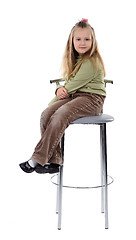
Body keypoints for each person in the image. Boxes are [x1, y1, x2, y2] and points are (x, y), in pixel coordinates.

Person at [19, 18, 106, 174]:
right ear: (71, 41)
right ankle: (54, 162)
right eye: (78, 39)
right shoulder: (76, 59)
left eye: (87, 39)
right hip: (75, 95)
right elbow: (69, 84)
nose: (82, 43)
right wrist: (56, 94)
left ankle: (36, 159)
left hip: (92, 99)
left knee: (60, 114)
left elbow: (70, 86)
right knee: (46, 114)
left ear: (93, 41)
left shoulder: (91, 62)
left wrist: (56, 96)